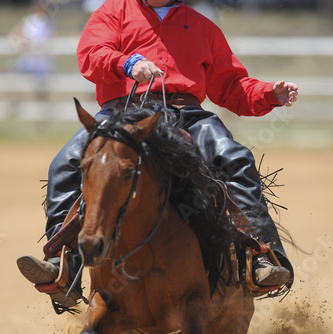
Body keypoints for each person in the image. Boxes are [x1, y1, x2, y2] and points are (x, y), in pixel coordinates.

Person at [17, 0, 298, 312]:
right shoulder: (113, 12)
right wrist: (126, 65)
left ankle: (259, 256)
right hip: (122, 114)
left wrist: (269, 93)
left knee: (236, 159)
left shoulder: (202, 26)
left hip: (186, 114)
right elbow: (91, 54)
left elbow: (230, 84)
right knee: (66, 163)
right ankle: (61, 263)